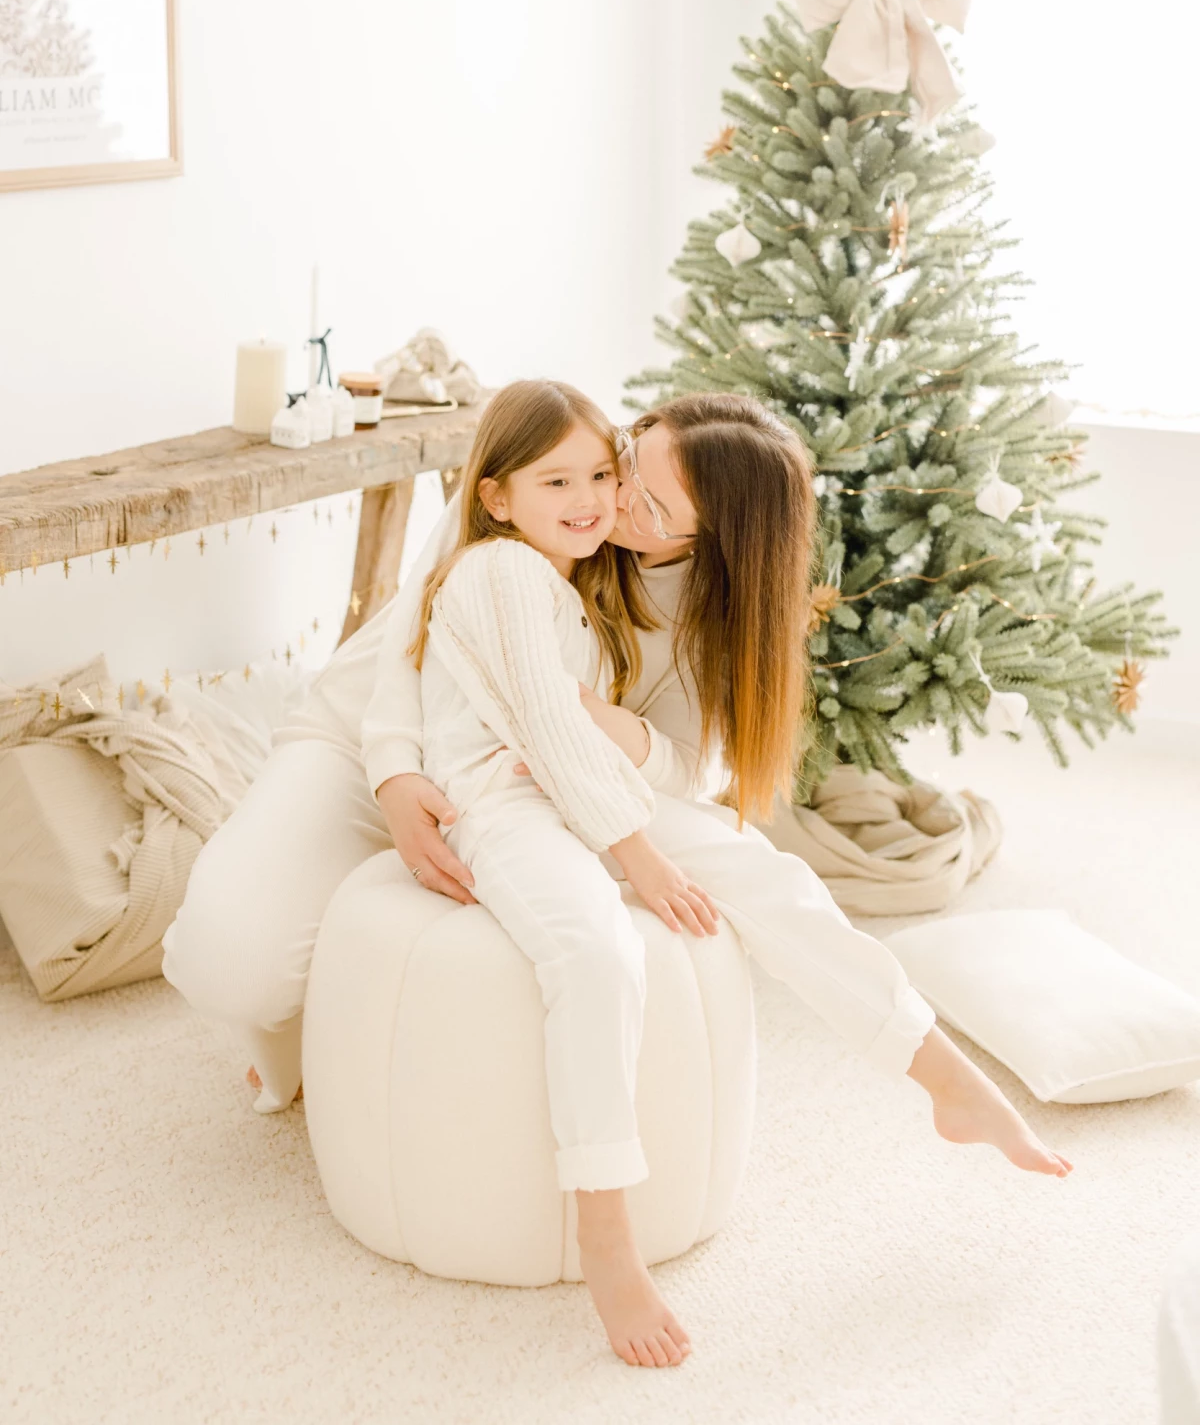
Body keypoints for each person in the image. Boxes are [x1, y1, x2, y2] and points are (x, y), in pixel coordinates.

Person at [161, 382, 1072, 1371]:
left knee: (763, 878)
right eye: (630, 462)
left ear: (710, 542)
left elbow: (695, 767)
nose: (612, 504)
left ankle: (942, 1073)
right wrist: (393, 775)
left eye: (649, 502)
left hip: (554, 780)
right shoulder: (552, 475)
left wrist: (612, 732)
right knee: (230, 962)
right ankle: (297, 1027)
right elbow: (408, 636)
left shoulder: (703, 596)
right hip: (378, 741)